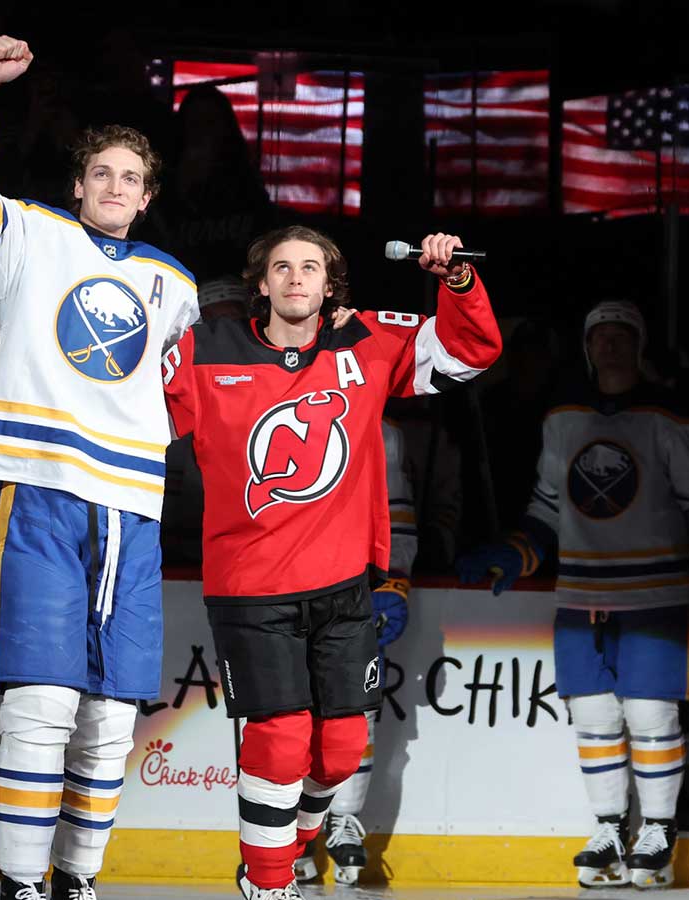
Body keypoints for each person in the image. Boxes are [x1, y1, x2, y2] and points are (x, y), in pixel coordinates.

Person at [0, 35, 200, 900]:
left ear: (147, 198)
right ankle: (21, 884)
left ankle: (77, 879)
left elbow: (186, 397)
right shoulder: (30, 241)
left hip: (131, 504)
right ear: (78, 184)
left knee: (111, 719)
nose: (115, 187)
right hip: (38, 487)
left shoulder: (176, 286)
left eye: (131, 178)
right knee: (40, 703)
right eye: (102, 174)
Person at [163, 226, 501, 899]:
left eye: (310, 267)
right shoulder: (206, 351)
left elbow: (469, 352)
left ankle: (289, 845)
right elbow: (126, 417)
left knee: (342, 750)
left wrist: (456, 281)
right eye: (281, 267)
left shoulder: (365, 342)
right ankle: (266, 882)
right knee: (283, 733)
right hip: (250, 586)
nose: (295, 278)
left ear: (329, 285)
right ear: (260, 284)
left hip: (344, 582)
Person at [456, 299, 689, 889]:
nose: (610, 344)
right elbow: (549, 508)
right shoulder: (564, 418)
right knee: (594, 715)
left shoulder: (665, 418)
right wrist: (517, 551)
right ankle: (610, 825)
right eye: (600, 335)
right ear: (587, 348)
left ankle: (656, 829)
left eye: (621, 335)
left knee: (652, 714)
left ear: (639, 346)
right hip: (580, 593)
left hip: (655, 592)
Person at [293, 416, 416, 886]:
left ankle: (344, 819)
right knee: (286, 717)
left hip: (353, 587)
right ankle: (287, 833)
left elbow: (396, 510)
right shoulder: (268, 397)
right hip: (281, 584)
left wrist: (394, 577)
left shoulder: (380, 428)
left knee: (352, 713)